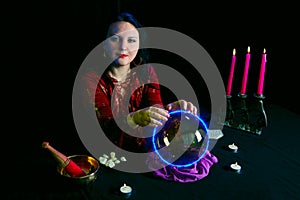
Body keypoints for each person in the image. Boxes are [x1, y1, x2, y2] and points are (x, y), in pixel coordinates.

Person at [81, 11, 198, 153]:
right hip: (106, 155)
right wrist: (134, 119)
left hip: (143, 151)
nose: (123, 47)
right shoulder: (90, 80)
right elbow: (105, 131)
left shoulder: (146, 72)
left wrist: (171, 110)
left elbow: (154, 115)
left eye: (131, 40)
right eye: (115, 39)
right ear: (104, 44)